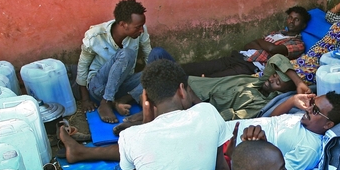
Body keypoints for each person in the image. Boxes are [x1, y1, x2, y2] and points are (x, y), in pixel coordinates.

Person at [46, 60, 230, 170]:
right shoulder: (209, 113)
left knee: (122, 169)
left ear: (147, 99)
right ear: (182, 90)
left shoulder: (132, 136)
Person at [112, 54, 311, 135]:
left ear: (284, 91)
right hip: (194, 83)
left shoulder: (258, 104)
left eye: (278, 83)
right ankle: (134, 110)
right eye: (275, 75)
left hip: (195, 100)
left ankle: (136, 122)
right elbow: (277, 58)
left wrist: (197, 105)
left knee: (168, 100)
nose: (272, 79)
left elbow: (226, 119)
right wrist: (297, 80)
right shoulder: (258, 80)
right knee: (159, 62)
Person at [76, 0, 171, 124]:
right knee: (127, 53)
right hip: (100, 87)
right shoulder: (95, 36)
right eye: (137, 27)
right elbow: (82, 67)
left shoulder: (140, 32)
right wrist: (85, 100)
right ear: (123, 24)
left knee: (157, 67)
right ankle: (107, 102)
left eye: (142, 26)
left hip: (124, 85)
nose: (141, 30)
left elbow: (150, 57)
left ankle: (122, 101)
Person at [228, 92, 340, 170]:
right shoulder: (302, 118)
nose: (309, 109)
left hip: (232, 149)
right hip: (229, 129)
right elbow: (271, 120)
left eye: (316, 111)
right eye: (312, 103)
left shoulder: (310, 148)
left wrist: (261, 145)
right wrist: (292, 101)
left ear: (328, 124)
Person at [181, 6, 309, 78]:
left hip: (252, 66)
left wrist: (260, 43)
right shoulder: (276, 33)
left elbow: (273, 50)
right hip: (240, 56)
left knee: (210, 79)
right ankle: (169, 74)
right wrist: (264, 45)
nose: (291, 21)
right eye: (290, 18)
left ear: (303, 25)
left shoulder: (298, 44)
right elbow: (248, 45)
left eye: (296, 20)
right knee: (199, 67)